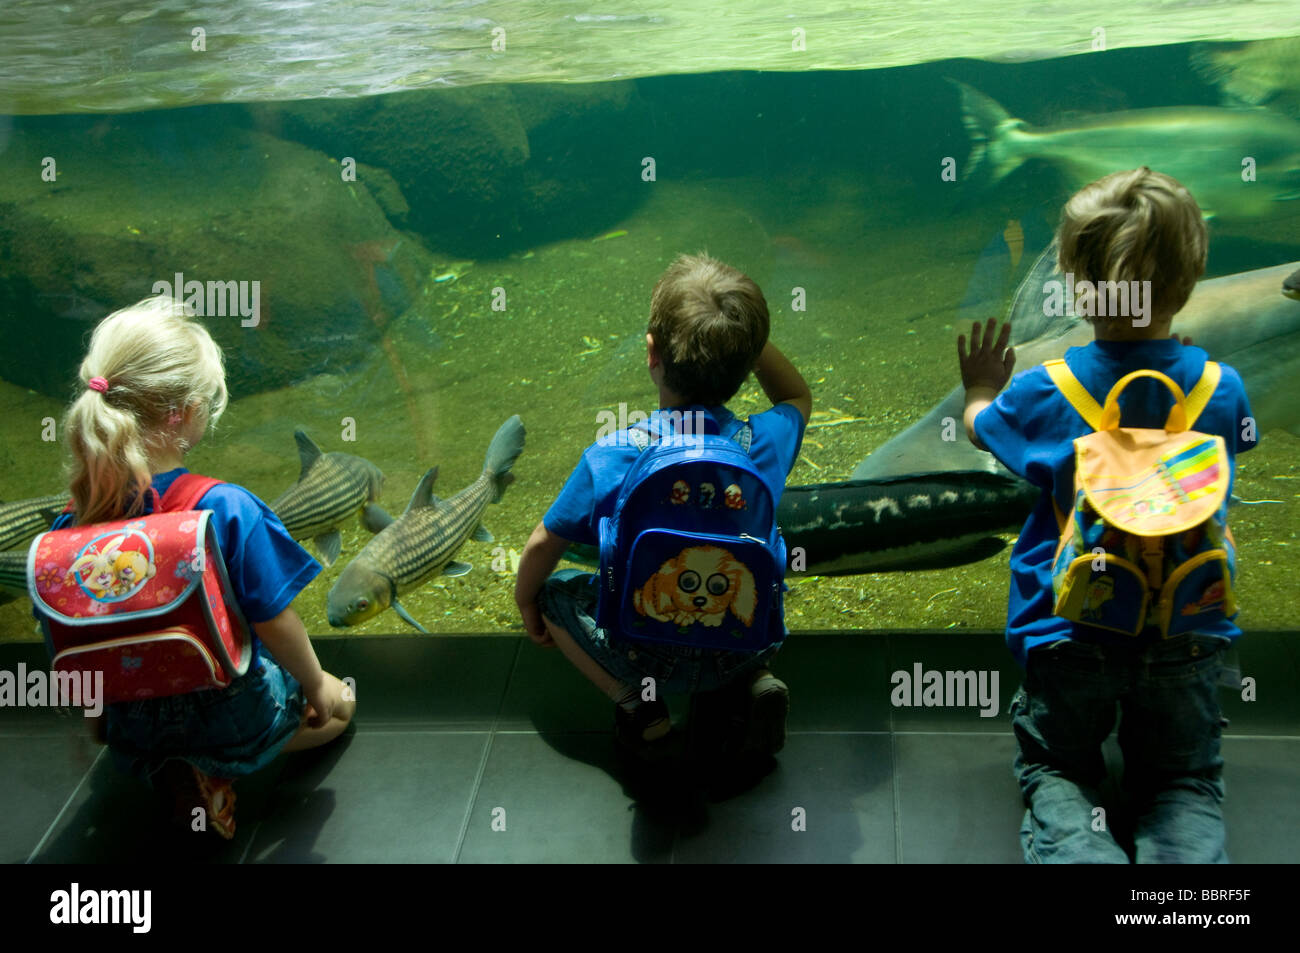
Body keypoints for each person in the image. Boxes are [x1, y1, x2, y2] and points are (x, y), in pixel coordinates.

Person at [957, 167, 1256, 862]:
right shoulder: (1223, 387)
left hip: (1071, 629)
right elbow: (1237, 450)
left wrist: (979, 390)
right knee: (1182, 778)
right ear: (1193, 277)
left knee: (1058, 769)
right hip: (1188, 628)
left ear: (1073, 284)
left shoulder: (1044, 391)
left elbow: (982, 429)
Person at [44, 295, 355, 839]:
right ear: (187, 413)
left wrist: (100, 724)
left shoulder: (64, 530)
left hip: (130, 730)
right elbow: (275, 621)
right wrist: (316, 688)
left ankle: (169, 764)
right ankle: (214, 763)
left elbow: (66, 641)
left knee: (152, 734)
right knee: (341, 704)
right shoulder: (223, 507)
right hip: (233, 720)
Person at [515, 253, 810, 757]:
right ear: (748, 363)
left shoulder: (611, 454)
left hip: (640, 650)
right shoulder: (762, 441)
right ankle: (755, 678)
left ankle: (635, 701)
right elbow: (797, 395)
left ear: (651, 353)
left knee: (555, 593)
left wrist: (526, 599)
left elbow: (545, 543)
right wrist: (745, 346)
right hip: (743, 636)